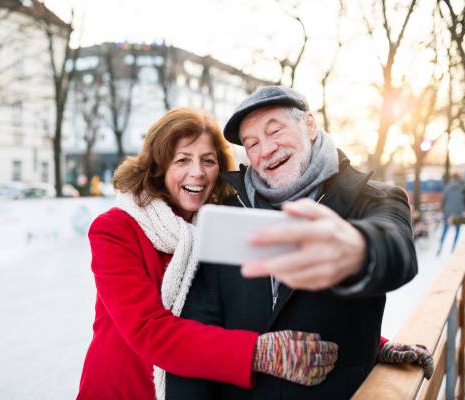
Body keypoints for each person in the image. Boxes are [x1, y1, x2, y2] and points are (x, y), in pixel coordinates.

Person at [166, 86, 421, 399]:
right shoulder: (227, 216)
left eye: (275, 131)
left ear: (310, 125)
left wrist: (357, 249)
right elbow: (197, 336)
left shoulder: (375, 199)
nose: (267, 149)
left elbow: (397, 253)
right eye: (252, 143)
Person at [76, 108, 339, 400]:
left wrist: (365, 343)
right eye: (182, 160)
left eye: (208, 161)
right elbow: (148, 330)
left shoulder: (222, 224)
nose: (197, 172)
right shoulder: (115, 229)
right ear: (158, 167)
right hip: (123, 390)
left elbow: (272, 298)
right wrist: (257, 353)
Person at [437, 172, 464, 255]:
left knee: (444, 231)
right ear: (459, 178)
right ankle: (453, 247)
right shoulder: (462, 189)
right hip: (458, 214)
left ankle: (440, 248)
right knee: (458, 231)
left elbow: (443, 201)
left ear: (452, 178)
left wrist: (442, 210)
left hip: (447, 213)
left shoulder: (447, 187)